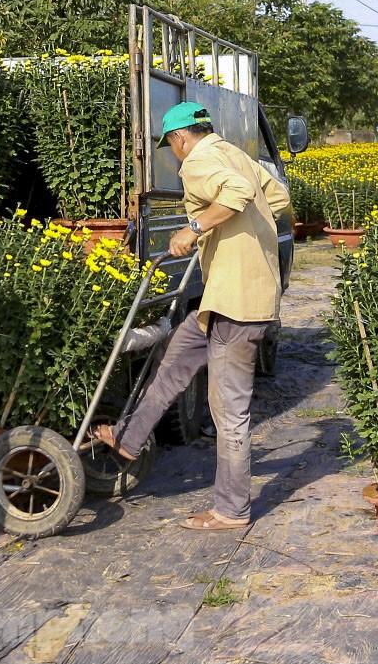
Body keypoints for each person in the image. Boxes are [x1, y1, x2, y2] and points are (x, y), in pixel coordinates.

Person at [91, 102, 291, 530]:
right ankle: (128, 439)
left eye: (171, 146)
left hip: (237, 305)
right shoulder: (234, 153)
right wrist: (242, 240)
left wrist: (195, 228)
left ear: (181, 138)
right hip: (225, 296)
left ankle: (232, 509)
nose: (174, 153)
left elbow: (236, 195)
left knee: (228, 409)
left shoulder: (198, 161)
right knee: (174, 361)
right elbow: (277, 197)